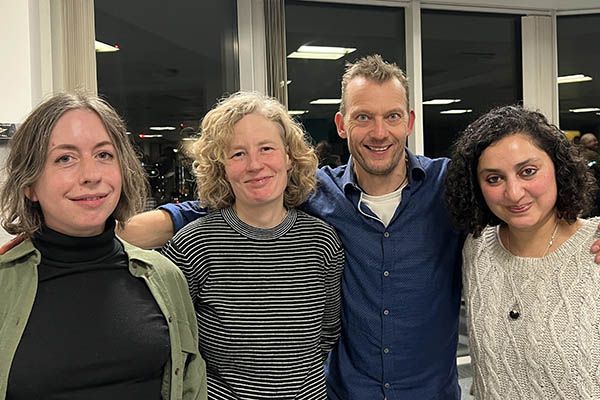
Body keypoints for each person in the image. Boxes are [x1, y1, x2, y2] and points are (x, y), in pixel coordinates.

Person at [119, 55, 464, 399]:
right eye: (363, 117)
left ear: (410, 121)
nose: (379, 131)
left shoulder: (448, 187)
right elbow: (234, 209)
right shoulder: (320, 195)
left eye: (392, 116)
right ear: (342, 125)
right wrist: (111, 232)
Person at [0, 92, 207, 400]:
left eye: (104, 155)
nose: (91, 175)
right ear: (29, 184)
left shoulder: (164, 277)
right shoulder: (5, 283)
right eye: (64, 159)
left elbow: (191, 385)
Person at [160, 91, 344, 399]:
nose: (254, 165)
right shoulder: (192, 247)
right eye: (238, 154)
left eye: (267, 148)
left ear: (288, 157)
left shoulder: (322, 242)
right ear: (222, 168)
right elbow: (177, 349)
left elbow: (327, 335)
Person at [445, 105, 600, 398]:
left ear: (558, 166)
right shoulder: (477, 250)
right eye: (494, 179)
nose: (514, 193)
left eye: (528, 171)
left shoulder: (594, 251)